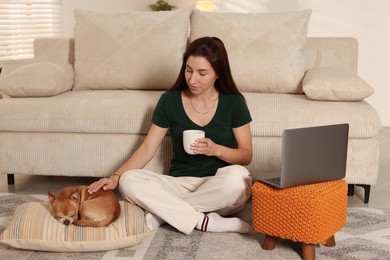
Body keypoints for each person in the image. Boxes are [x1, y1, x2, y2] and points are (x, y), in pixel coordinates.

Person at [88, 36, 253, 235]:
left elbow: (246, 155)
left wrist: (216, 149)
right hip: (179, 184)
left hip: (219, 187)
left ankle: (164, 214)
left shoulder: (234, 102)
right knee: (128, 180)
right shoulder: (169, 101)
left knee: (239, 179)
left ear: (218, 73)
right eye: (189, 70)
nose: (192, 79)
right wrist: (115, 177)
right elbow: (147, 149)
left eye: (202, 73)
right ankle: (204, 221)